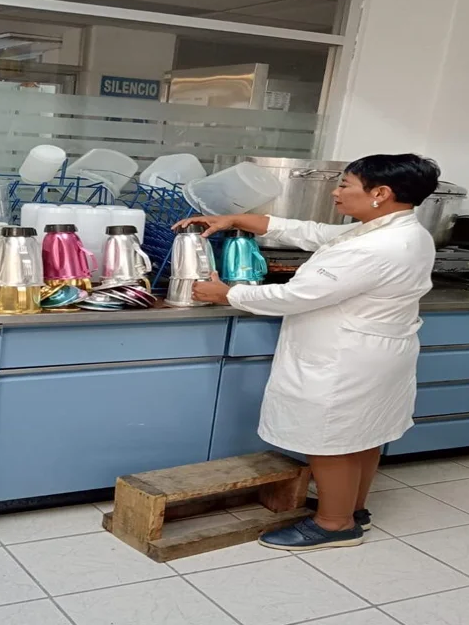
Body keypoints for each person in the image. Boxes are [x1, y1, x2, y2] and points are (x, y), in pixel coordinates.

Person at [173, 153, 440, 551]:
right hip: (376, 352)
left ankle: (334, 524)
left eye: (345, 184)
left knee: (329, 439)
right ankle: (353, 509)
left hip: (344, 359)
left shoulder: (376, 246)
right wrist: (236, 219)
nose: (336, 191)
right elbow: (312, 232)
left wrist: (227, 293)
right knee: (362, 434)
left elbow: (296, 296)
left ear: (381, 193)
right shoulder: (401, 231)